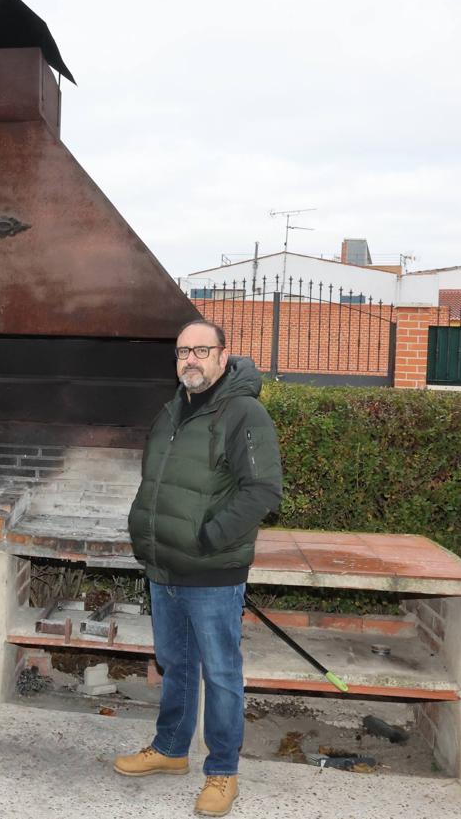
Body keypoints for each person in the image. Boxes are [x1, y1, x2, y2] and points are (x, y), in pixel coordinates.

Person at [116, 319, 283, 817]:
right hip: (164, 566)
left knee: (223, 674)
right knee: (176, 665)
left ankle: (222, 772)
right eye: (182, 351)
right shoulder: (174, 411)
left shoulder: (244, 413)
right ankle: (170, 750)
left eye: (201, 350)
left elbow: (263, 492)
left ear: (222, 355)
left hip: (211, 571)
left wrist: (209, 538)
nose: (190, 359)